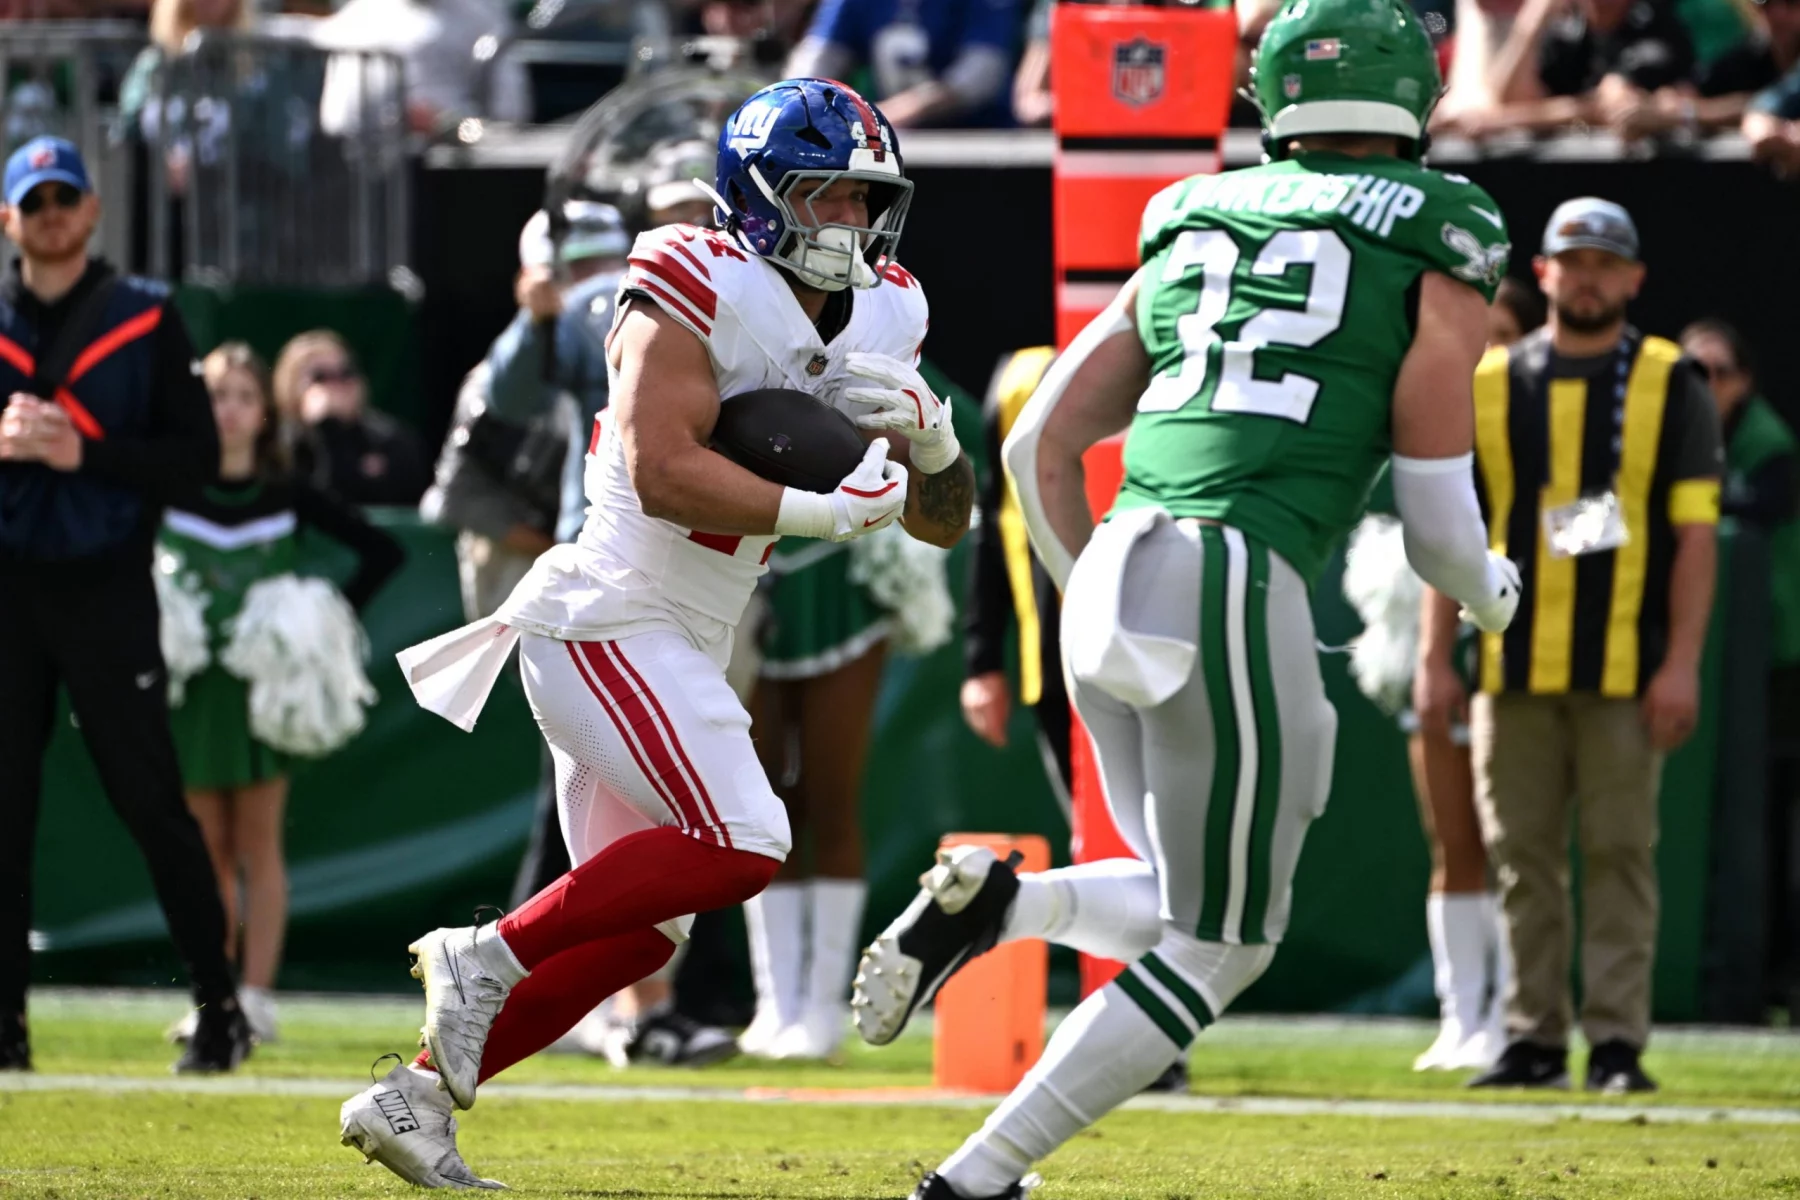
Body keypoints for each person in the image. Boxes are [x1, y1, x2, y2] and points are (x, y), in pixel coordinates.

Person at [852, 0, 1524, 1191]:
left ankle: (1007, 906)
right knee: (1223, 948)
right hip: (1234, 567)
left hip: (1114, 561)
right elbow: (1434, 520)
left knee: (1173, 896)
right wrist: (1494, 590)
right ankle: (975, 1179)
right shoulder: (1442, 223)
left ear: (1274, 95)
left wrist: (1085, 598)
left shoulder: (1196, 208)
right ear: (1413, 92)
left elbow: (1033, 447)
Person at [338, 77, 974, 1189]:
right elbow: (661, 467)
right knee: (748, 840)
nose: (847, 223)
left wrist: (934, 446)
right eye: (822, 197)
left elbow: (942, 526)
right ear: (762, 197)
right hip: (610, 611)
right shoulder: (690, 275)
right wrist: (825, 510)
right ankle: (482, 952)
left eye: (862, 199)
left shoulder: (891, 306)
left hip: (688, 624)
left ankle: (414, 1098)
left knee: (643, 936)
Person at [1421, 199, 1722, 1094]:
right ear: (1543, 274)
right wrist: (1437, 656)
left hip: (1628, 668)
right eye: (1571, 260)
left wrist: (1681, 664)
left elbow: (1695, 537)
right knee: (1522, 856)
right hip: (1510, 666)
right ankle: (1532, 1037)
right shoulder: (1487, 381)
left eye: (1605, 262)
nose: (1587, 276)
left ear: (1633, 278)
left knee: (1622, 852)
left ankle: (1618, 1041)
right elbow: (1450, 531)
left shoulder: (1674, 381)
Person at [0, 136, 249, 1074]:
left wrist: (84, 453)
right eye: (36, 201)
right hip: (8, 591)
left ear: (95, 209)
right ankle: (5, 1027)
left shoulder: (145, 317)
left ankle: (219, 1010)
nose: (53, 214)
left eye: (67, 197)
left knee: (150, 798)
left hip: (106, 586)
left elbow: (195, 465)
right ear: (9, 217)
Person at [160, 342, 402, 1046]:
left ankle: (257, 996)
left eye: (241, 396)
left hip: (264, 693)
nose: (227, 410)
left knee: (257, 843)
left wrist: (317, 613)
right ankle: (212, 993)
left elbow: (380, 553)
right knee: (202, 848)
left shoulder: (283, 491)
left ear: (265, 411)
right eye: (214, 395)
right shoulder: (172, 484)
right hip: (194, 686)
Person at [740, 356, 962, 1062]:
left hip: (845, 584)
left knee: (832, 797)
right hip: (744, 576)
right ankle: (774, 1003)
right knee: (761, 801)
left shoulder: (879, 345)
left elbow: (940, 465)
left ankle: (823, 1007)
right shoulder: (746, 339)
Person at [1679, 317, 1800, 1017]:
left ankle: (1765, 976)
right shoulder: (1659, 431)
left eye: (1719, 372)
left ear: (1745, 382)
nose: (1705, 386)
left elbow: (1763, 509)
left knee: (1766, 815)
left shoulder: (1770, 443)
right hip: (1689, 661)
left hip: (1773, 663)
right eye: (1692, 373)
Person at [1441, 0, 1696, 137]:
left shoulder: (1655, 30)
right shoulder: (1571, 31)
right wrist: (1532, 21)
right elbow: (1511, 97)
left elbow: (1606, 107)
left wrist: (1504, 121)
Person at [786, 0, 1022, 127]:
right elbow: (811, 69)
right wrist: (793, 107)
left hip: (979, 144)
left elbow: (981, 75)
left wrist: (886, 114)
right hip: (889, 145)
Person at [272, 330, 431, 506]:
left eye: (346, 373)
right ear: (291, 385)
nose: (337, 385)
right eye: (321, 377)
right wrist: (325, 426)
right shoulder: (277, 443)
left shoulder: (391, 439)